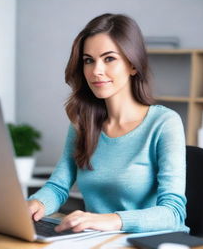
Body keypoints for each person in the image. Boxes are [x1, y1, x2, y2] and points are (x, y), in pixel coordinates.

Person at [28, 13, 189, 234]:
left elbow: (173, 213)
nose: (96, 71)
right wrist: (36, 204)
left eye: (109, 58)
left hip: (146, 243)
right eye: (88, 60)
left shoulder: (164, 123)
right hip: (95, 241)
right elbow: (57, 187)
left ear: (133, 65)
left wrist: (109, 220)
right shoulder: (83, 124)